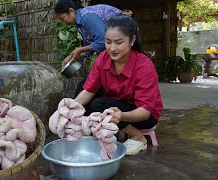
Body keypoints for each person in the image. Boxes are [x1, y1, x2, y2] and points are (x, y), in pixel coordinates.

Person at [74, 15, 163, 155]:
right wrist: (69, 109)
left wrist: (121, 116)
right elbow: (89, 89)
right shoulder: (103, 57)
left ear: (132, 40)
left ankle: (138, 136)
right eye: (108, 42)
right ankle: (90, 132)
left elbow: (145, 112)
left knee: (100, 105)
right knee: (82, 86)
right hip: (117, 102)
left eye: (119, 42)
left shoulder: (144, 66)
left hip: (143, 115)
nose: (112, 48)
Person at [54, 0, 123, 65]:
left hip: (124, 44)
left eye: (63, 18)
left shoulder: (86, 16)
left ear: (71, 11)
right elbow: (91, 47)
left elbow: (103, 41)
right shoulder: (79, 24)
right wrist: (73, 56)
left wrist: (80, 49)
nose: (64, 22)